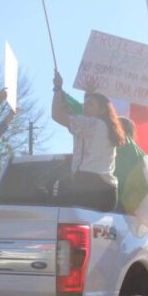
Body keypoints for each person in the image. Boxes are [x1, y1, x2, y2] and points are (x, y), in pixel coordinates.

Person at [51, 71, 125, 212]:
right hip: (107, 192)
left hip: (89, 187)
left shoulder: (93, 124)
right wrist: (87, 95)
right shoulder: (105, 126)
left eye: (90, 104)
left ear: (102, 110)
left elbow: (57, 115)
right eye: (84, 104)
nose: (84, 107)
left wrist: (57, 88)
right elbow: (72, 117)